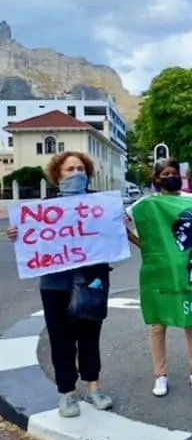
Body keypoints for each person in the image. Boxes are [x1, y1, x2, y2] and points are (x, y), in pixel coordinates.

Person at [4, 152, 115, 417]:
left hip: (92, 281)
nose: (75, 173)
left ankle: (94, 387)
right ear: (57, 175)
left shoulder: (99, 204)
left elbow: (110, 239)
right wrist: (16, 234)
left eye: (80, 169)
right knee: (61, 339)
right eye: (69, 169)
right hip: (55, 285)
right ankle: (67, 393)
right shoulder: (42, 210)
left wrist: (117, 226)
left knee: (90, 335)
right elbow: (32, 238)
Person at [125, 159, 192, 397]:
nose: (170, 176)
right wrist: (143, 245)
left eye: (173, 173)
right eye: (165, 173)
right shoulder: (146, 204)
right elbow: (121, 223)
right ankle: (160, 375)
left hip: (186, 269)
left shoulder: (190, 200)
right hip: (157, 270)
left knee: (190, 318)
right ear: (156, 179)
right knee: (157, 324)